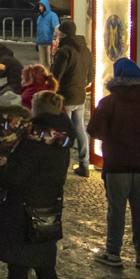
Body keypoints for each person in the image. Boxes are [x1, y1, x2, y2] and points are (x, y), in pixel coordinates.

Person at [0, 90, 73, 279]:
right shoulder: (61, 136)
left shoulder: (33, 140)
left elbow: (15, 175)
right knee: (45, 267)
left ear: (37, 109)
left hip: (23, 210)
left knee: (18, 266)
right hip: (49, 207)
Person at [86, 58, 140, 268]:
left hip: (117, 165)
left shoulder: (108, 103)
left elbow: (94, 131)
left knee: (116, 211)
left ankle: (113, 253)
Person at [50, 19, 92, 176]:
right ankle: (84, 164)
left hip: (65, 96)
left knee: (62, 130)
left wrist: (54, 89)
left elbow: (56, 76)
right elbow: (91, 75)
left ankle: (61, 165)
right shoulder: (85, 50)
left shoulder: (64, 51)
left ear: (63, 33)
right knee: (79, 128)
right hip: (80, 95)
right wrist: (80, 85)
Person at [34, 0, 59, 66]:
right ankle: (44, 75)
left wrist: (54, 41)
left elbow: (56, 29)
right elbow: (39, 31)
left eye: (41, 6)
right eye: (39, 6)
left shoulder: (52, 16)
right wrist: (37, 42)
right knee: (42, 63)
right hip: (41, 42)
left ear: (46, 7)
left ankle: (49, 76)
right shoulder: (39, 17)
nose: (40, 8)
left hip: (50, 43)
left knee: (50, 62)